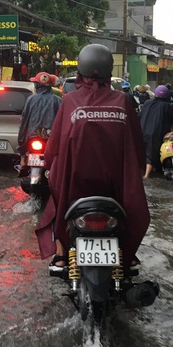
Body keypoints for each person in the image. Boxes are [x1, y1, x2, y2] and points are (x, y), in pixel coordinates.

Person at [35, 44, 149, 272]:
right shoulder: (124, 101)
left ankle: (60, 253)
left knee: (57, 204)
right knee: (132, 205)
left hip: (75, 186)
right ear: (109, 72)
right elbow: (137, 145)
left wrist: (48, 166)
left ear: (80, 71)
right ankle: (128, 252)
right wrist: (138, 167)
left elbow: (54, 147)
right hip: (115, 186)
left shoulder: (69, 101)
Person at [139, 85, 173, 178]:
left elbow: (139, 116)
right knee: (151, 155)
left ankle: (146, 175)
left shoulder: (147, 103)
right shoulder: (167, 106)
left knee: (146, 153)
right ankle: (146, 176)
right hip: (157, 133)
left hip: (142, 132)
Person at [17, 71, 62, 177]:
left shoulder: (31, 100)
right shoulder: (58, 101)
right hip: (52, 140)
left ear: (37, 85)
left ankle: (23, 163)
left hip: (32, 138)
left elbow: (24, 122)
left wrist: (21, 146)